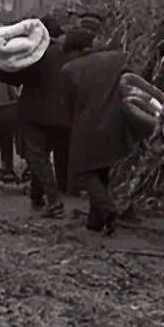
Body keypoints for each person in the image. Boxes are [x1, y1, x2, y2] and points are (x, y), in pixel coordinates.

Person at [62, 13, 137, 235]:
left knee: (84, 173)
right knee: (101, 172)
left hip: (87, 128)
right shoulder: (117, 58)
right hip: (115, 125)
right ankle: (95, 222)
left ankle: (108, 209)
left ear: (73, 50)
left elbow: (68, 105)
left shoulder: (70, 70)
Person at [0, 16, 71, 218]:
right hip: (61, 115)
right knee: (42, 156)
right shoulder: (67, 54)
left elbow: (17, 79)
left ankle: (54, 202)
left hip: (34, 114)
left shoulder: (36, 52)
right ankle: (37, 196)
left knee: (39, 156)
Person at [0, 77, 21, 182]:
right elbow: (14, 95)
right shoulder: (4, 76)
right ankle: (8, 168)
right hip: (5, 111)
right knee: (6, 141)